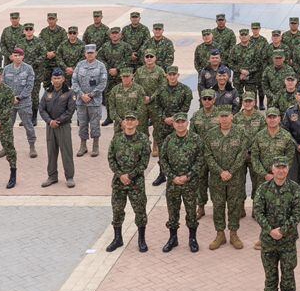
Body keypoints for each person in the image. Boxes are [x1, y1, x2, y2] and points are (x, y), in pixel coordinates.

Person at [255, 156, 300, 291]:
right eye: (278, 167)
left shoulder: (295, 189)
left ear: (288, 169)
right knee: (270, 272)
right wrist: (270, 230)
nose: (281, 170)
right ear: (272, 169)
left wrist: (282, 230)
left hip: (287, 240)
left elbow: (297, 214)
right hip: (268, 240)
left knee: (288, 272)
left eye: (284, 167)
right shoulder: (263, 188)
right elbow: (258, 212)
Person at [204, 106, 249, 249]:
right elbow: (208, 155)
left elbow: (242, 154)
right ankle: (220, 234)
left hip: (235, 177)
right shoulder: (211, 134)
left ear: (232, 117)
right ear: (218, 118)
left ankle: (234, 233)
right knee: (218, 205)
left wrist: (230, 171)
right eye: (221, 116)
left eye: (226, 116)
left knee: (234, 205)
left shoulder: (240, 132)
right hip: (217, 178)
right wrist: (220, 171)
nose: (224, 119)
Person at [159, 115, 203, 253]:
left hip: (190, 183)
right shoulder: (169, 140)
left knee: (191, 211)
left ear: (187, 123)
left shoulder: (196, 139)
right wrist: (172, 177)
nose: (180, 124)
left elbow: (200, 160)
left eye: (182, 122)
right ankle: (173, 238)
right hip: (173, 183)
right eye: (177, 122)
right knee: (172, 212)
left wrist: (188, 176)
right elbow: (163, 160)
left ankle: (192, 239)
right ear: (173, 124)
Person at [107, 113, 150, 253]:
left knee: (140, 211)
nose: (130, 122)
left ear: (137, 122)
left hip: (136, 182)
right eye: (127, 120)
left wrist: (130, 175)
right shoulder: (117, 138)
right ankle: (117, 238)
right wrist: (120, 175)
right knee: (117, 210)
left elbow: (144, 162)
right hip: (119, 181)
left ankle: (141, 239)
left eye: (132, 120)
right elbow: (111, 158)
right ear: (124, 123)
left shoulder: (143, 139)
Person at [39, 67, 75, 189]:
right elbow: (42, 109)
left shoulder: (69, 92)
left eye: (59, 78)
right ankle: (52, 176)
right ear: (51, 79)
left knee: (66, 152)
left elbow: (70, 111)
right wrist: (49, 121)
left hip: (63, 126)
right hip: (50, 127)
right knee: (51, 152)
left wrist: (58, 121)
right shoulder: (47, 92)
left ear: (63, 79)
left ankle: (69, 177)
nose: (57, 80)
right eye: (54, 78)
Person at [72, 44, 108, 157]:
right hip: (81, 101)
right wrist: (82, 95)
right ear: (85, 54)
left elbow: (103, 83)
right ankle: (83, 146)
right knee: (82, 124)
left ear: (95, 53)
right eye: (88, 53)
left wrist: (91, 95)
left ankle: (95, 146)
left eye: (92, 52)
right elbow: (74, 81)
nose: (90, 54)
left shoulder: (101, 66)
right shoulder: (80, 65)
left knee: (95, 124)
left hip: (95, 102)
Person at [2, 46, 37, 160]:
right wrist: (10, 98)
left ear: (23, 56)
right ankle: (6, 147)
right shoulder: (6, 69)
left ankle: (32, 146)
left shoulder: (28, 69)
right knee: (7, 126)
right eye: (15, 55)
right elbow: (3, 86)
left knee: (28, 125)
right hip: (10, 103)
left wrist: (19, 97)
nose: (17, 57)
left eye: (19, 55)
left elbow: (29, 85)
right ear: (12, 57)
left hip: (24, 102)